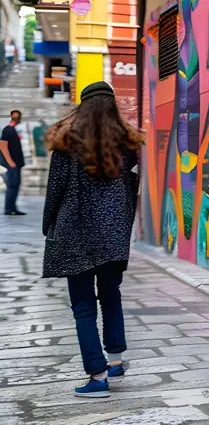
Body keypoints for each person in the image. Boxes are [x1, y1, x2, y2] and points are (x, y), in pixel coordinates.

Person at [42, 82, 144, 398]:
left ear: (81, 106)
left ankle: (97, 377)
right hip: (112, 235)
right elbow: (132, 189)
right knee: (111, 295)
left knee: (83, 307)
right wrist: (123, 226)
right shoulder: (128, 143)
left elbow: (55, 190)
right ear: (112, 106)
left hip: (75, 233)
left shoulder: (67, 142)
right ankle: (115, 361)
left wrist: (49, 226)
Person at [0, 110, 25, 216]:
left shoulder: (13, 130)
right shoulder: (8, 130)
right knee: (12, 185)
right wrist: (10, 162)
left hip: (16, 164)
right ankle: (9, 209)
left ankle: (12, 208)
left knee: (15, 186)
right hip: (12, 164)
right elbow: (2, 146)